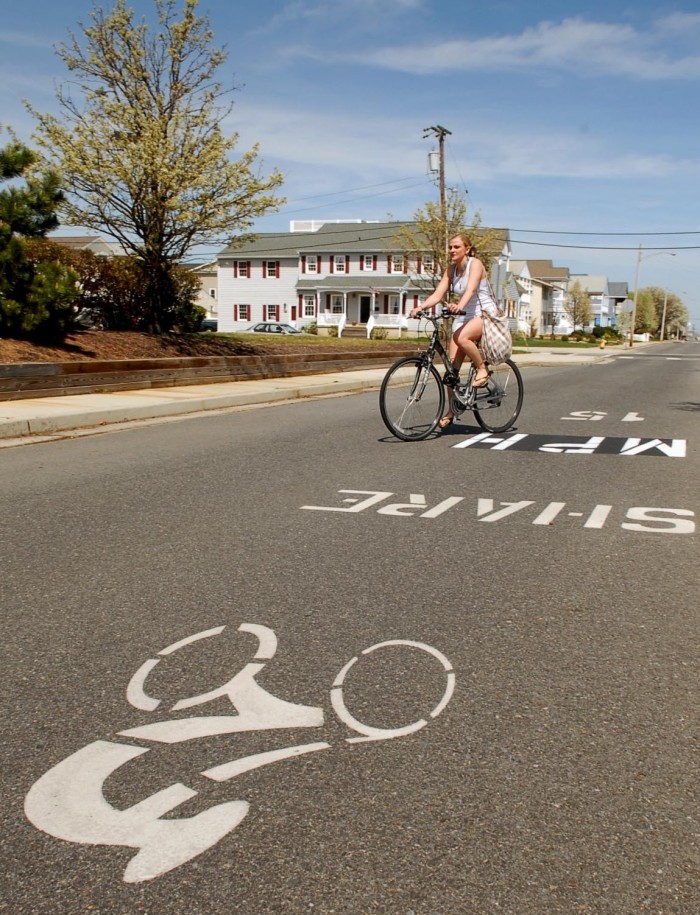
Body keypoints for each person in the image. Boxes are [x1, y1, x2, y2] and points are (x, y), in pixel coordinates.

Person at [409, 233, 496, 428]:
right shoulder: (451, 270)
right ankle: (453, 409)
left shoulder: (476, 264)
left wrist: (458, 305)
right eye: (450, 247)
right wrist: (420, 308)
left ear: (467, 248)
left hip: (484, 313)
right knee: (451, 372)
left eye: (456, 247)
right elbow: (438, 294)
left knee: (461, 336)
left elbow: (471, 289)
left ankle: (482, 369)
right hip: (464, 316)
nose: (452, 250)